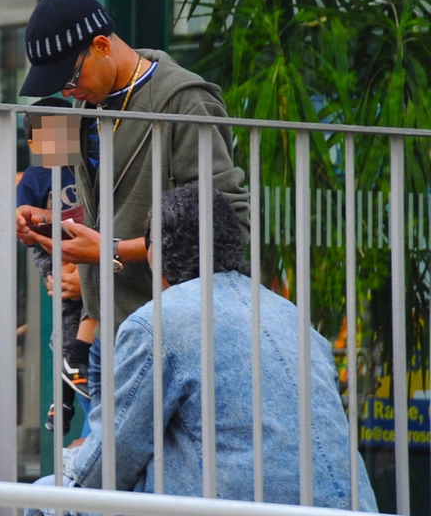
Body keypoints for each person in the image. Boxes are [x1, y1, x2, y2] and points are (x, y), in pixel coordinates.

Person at [24, 183, 377, 513]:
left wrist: (79, 460)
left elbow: (107, 467)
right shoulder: (292, 316)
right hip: (351, 506)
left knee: (43, 495)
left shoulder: (158, 322)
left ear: (153, 254)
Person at [14, 0, 249, 410]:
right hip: (110, 329)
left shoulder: (182, 102)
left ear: (102, 46)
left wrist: (111, 252)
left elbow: (228, 223)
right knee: (108, 468)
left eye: (69, 80)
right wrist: (53, 222)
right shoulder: (96, 106)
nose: (67, 94)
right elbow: (117, 209)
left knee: (125, 469)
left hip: (171, 338)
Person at [15, 96, 91, 435]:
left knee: (89, 310)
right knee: (65, 322)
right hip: (52, 252)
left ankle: (68, 384)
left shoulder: (87, 165)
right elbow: (25, 230)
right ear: (32, 143)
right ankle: (62, 396)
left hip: (85, 247)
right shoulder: (33, 178)